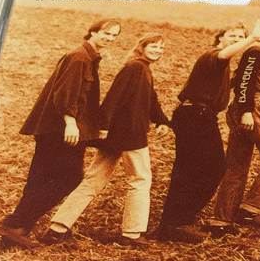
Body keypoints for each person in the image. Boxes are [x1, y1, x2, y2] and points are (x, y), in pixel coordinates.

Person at [0, 18, 120, 248]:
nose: (110, 38)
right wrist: (70, 122)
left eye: (114, 36)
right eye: (106, 33)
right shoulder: (79, 58)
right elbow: (64, 94)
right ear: (93, 32)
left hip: (57, 129)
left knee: (41, 178)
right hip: (61, 130)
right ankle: (15, 223)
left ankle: (16, 229)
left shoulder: (88, 58)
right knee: (69, 178)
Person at [43, 32, 170, 246]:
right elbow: (115, 96)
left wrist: (162, 121)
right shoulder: (135, 67)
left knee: (94, 179)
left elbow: (151, 99)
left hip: (117, 135)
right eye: (153, 46)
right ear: (142, 47)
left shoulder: (142, 68)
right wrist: (103, 125)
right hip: (130, 135)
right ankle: (132, 233)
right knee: (140, 179)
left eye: (161, 47)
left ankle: (57, 228)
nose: (158, 50)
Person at [152, 22, 254, 244]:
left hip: (200, 116)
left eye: (241, 37)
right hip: (195, 116)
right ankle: (176, 223)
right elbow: (224, 55)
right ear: (220, 37)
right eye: (233, 35)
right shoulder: (213, 56)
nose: (237, 39)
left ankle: (174, 223)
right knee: (209, 169)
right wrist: (252, 37)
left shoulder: (222, 66)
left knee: (192, 170)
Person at [209, 15, 260, 234]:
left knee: (236, 165)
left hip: (248, 106)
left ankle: (221, 221)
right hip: (252, 107)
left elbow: (241, 80)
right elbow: (244, 82)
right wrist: (247, 111)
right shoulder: (256, 50)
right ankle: (250, 209)